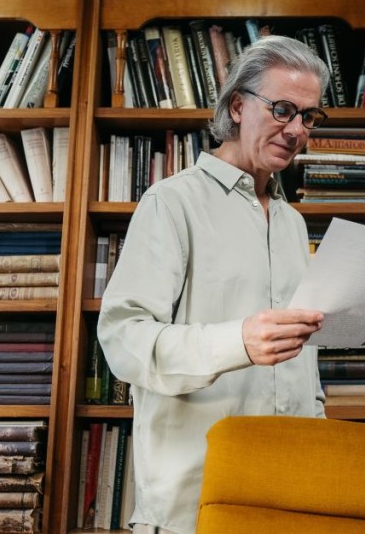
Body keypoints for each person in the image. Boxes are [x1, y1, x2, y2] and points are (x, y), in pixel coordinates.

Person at [97, 34, 332, 534]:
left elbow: (302, 363)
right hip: (194, 501)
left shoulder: (291, 223)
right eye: (283, 109)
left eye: (308, 116)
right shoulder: (170, 203)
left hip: (288, 492)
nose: (295, 130)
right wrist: (237, 341)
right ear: (238, 105)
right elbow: (123, 340)